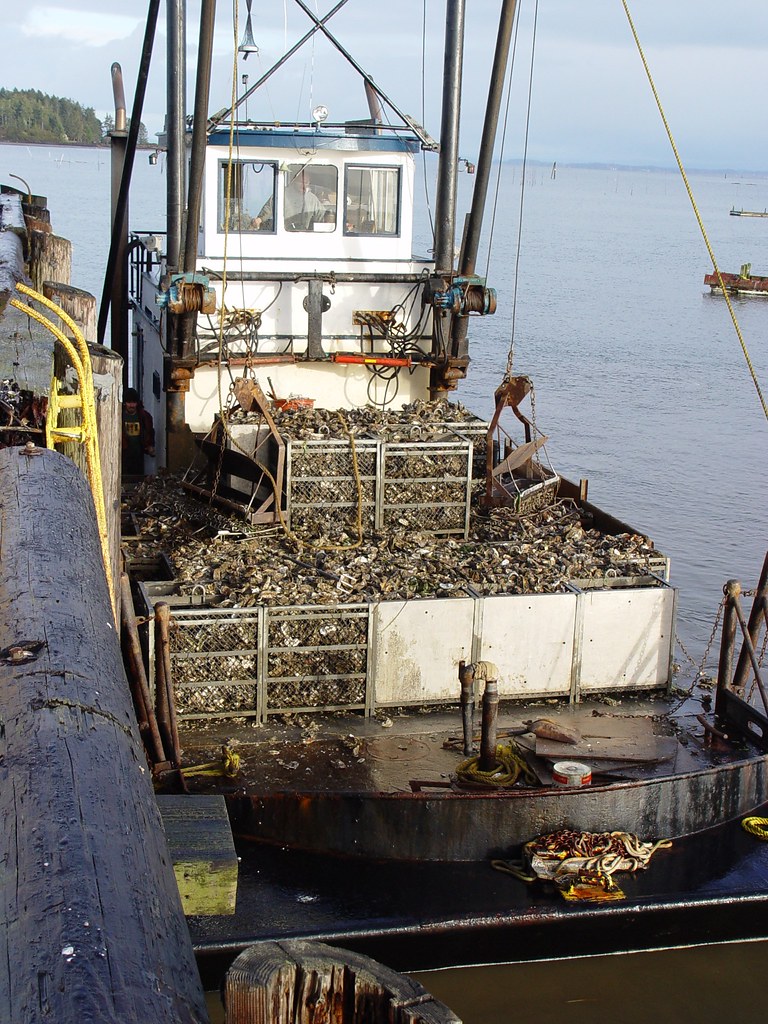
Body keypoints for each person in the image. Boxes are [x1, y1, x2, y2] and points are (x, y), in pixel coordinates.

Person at [122, 387, 155, 476]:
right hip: (123, 454)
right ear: (125, 403)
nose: (131, 405)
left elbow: (150, 432)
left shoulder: (144, 416)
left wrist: (150, 446)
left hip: (139, 454)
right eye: (129, 402)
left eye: (134, 402)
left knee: (138, 478)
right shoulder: (119, 416)